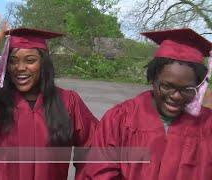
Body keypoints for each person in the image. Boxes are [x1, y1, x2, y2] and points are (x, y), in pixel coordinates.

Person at [0, 9, 98, 180]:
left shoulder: (68, 102)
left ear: (44, 64)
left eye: (30, 60)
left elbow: (95, 150)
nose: (20, 68)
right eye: (13, 61)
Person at [83, 28, 212, 180]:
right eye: (167, 86)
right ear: (153, 79)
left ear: (198, 87)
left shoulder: (207, 126)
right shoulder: (119, 119)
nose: (176, 96)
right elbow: (99, 172)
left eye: (187, 89)